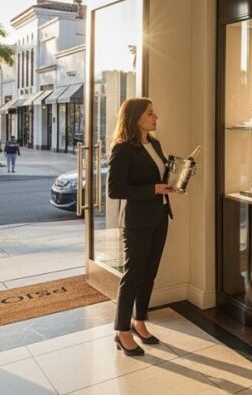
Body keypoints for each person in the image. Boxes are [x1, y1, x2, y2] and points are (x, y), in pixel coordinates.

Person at [107, 98, 178, 356]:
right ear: (136, 117)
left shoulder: (155, 144)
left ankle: (139, 321)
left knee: (149, 273)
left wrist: (176, 176)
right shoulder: (123, 149)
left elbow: (159, 177)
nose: (155, 117)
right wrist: (153, 189)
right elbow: (115, 190)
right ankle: (122, 330)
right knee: (133, 274)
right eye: (150, 113)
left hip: (160, 216)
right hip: (136, 221)